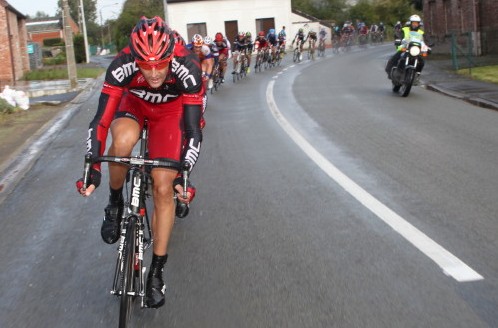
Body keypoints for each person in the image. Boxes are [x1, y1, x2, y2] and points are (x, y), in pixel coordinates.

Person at [76, 16, 204, 309]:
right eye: (146, 66)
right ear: (134, 58)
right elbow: (100, 121)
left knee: (163, 187)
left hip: (170, 114)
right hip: (133, 104)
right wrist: (93, 168)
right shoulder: (121, 64)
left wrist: (183, 174)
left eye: (161, 64)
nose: (155, 73)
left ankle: (156, 273)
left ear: (171, 55)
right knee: (120, 144)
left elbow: (194, 130)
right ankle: (114, 203)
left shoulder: (189, 67)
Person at [385, 14, 427, 82]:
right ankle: (390, 72)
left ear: (419, 24)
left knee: (422, 61)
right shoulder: (404, 30)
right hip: (405, 48)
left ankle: (417, 75)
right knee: (395, 57)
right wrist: (398, 39)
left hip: (415, 50)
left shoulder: (421, 32)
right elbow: (398, 35)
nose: (414, 24)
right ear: (410, 23)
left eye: (416, 23)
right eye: (413, 23)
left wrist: (427, 47)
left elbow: (424, 41)